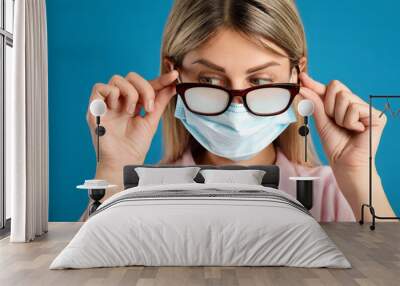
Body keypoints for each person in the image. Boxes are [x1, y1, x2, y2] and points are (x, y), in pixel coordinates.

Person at [82, 0, 395, 222]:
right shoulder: (138, 193)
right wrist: (113, 168)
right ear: (174, 73)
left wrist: (359, 176)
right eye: (210, 80)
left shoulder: (332, 192)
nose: (236, 105)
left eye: (259, 80)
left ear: (296, 75)